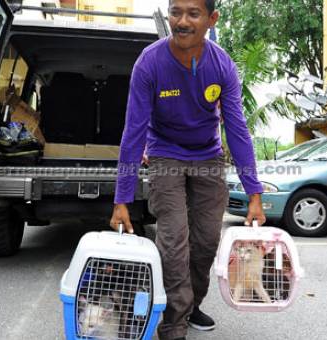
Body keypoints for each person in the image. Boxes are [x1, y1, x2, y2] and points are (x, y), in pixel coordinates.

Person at [109, 1, 266, 339]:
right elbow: (133, 130)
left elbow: (236, 129)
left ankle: (191, 304)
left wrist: (254, 193)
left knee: (207, 239)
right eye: (176, 12)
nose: (182, 21)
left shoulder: (222, 66)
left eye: (193, 14)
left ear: (211, 19)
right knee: (174, 239)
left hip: (207, 156)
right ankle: (173, 322)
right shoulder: (149, 63)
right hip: (164, 153)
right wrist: (121, 199)